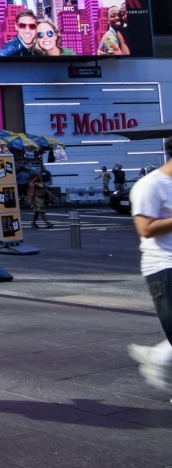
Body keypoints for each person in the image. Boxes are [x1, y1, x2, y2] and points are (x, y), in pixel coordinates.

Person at [126, 140, 172, 390]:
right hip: (164, 268)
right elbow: (145, 229)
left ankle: (156, 357)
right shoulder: (150, 185)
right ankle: (157, 357)